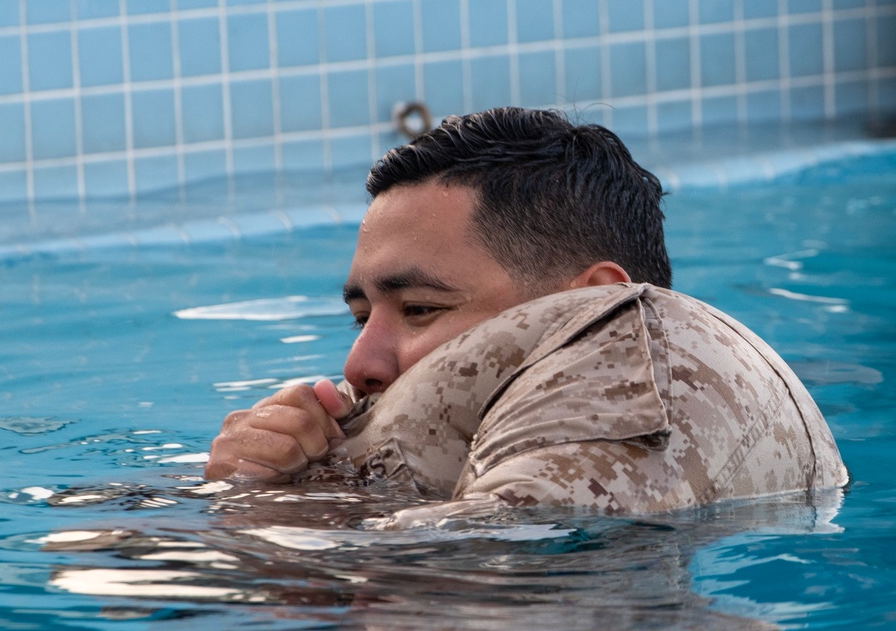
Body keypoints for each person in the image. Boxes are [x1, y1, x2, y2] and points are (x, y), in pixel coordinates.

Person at [205, 108, 847, 523]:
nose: (359, 364)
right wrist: (252, 473)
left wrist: (277, 520)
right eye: (360, 317)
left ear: (591, 301)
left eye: (422, 309)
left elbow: (477, 593)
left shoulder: (634, 358)